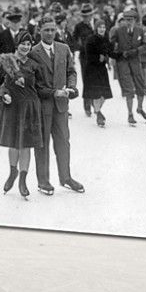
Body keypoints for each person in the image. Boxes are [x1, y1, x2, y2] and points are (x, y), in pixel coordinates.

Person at [29, 16, 84, 195]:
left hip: (61, 106)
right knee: (42, 144)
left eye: (53, 30)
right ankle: (43, 181)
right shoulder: (33, 52)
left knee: (63, 142)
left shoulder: (64, 49)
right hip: (42, 107)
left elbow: (71, 71)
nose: (50, 33)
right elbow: (35, 86)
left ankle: (65, 177)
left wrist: (72, 86)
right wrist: (54, 92)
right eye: (46, 30)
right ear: (39, 31)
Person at [0, 30, 44, 198]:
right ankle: (12, 173)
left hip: (29, 107)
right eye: (23, 43)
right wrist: (3, 94)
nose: (26, 46)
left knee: (26, 145)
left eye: (29, 44)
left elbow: (41, 87)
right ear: (17, 44)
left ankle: (23, 180)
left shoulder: (34, 64)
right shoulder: (7, 62)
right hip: (12, 106)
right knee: (13, 144)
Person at [109, 9, 146, 125]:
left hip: (136, 61)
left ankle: (140, 108)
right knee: (128, 89)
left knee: (140, 85)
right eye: (126, 20)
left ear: (135, 20)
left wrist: (137, 51)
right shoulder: (118, 31)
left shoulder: (140, 31)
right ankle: (130, 114)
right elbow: (111, 44)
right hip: (123, 62)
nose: (128, 22)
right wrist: (117, 52)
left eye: (130, 20)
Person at [83, 19, 115, 127]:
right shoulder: (91, 39)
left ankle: (97, 110)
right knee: (96, 93)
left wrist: (121, 55)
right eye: (100, 27)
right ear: (96, 28)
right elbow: (88, 55)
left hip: (102, 69)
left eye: (103, 27)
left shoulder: (106, 39)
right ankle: (99, 114)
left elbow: (111, 52)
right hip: (92, 69)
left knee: (104, 94)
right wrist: (98, 58)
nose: (102, 29)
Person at [72, 3, 96, 116]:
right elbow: (74, 40)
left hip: (97, 56)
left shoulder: (97, 24)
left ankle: (95, 104)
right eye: (84, 16)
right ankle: (87, 106)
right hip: (85, 56)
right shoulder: (79, 26)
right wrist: (81, 47)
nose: (86, 18)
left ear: (92, 15)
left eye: (88, 16)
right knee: (87, 80)